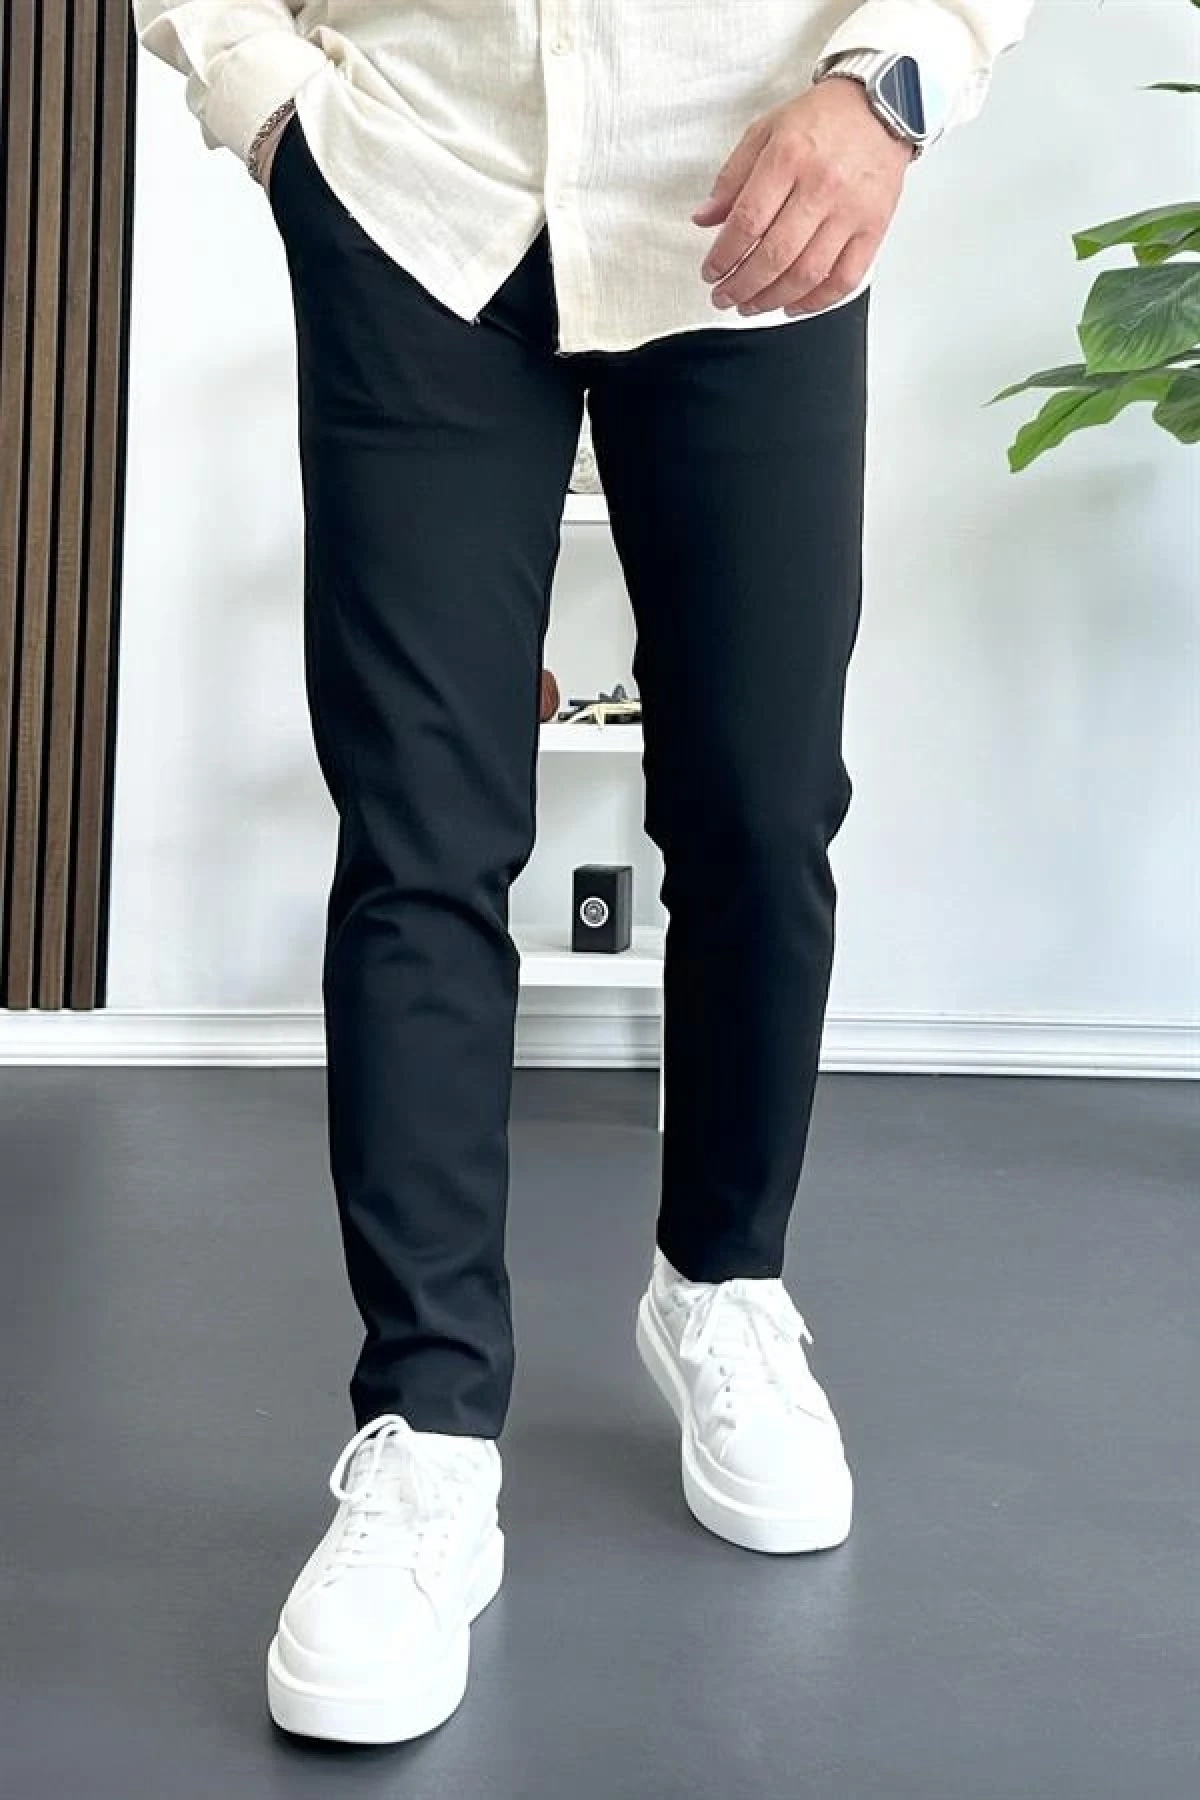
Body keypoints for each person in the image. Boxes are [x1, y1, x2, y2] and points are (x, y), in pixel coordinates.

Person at [133, 0, 1033, 1746]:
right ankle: (428, 1432)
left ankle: (723, 1286)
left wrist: (893, 90)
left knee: (762, 807)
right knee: (419, 835)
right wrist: (262, 99)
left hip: (757, 193)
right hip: (415, 183)